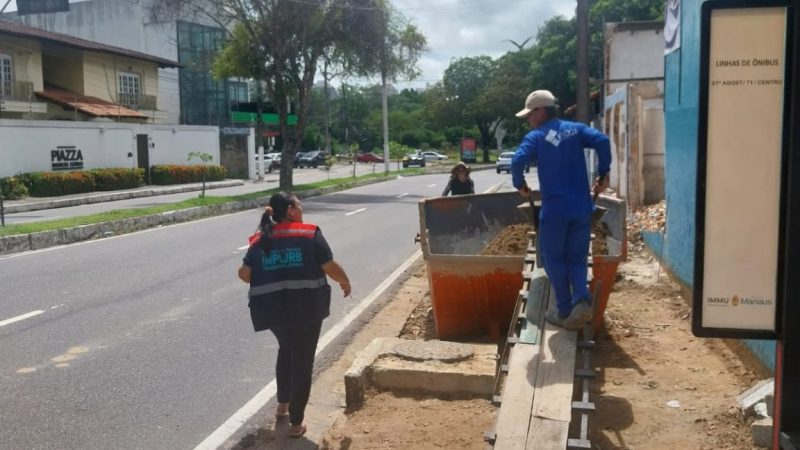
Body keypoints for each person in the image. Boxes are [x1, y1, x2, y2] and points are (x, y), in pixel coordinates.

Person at [238, 192, 351, 438]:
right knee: (302, 360)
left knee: (286, 349)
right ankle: (296, 423)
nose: (301, 209)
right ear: (290, 210)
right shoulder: (309, 233)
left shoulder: (260, 239)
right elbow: (329, 266)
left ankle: (283, 406)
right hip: (306, 310)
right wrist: (345, 281)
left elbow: (244, 274)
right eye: (299, 205)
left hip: (273, 312)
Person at [511, 90, 611, 331]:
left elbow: (517, 161)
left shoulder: (536, 136)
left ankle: (564, 309)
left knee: (554, 258)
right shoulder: (575, 130)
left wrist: (520, 184)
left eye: (530, 114)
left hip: (555, 210)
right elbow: (602, 140)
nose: (528, 120)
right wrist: (603, 173)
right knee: (576, 257)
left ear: (541, 110)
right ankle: (582, 299)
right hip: (581, 208)